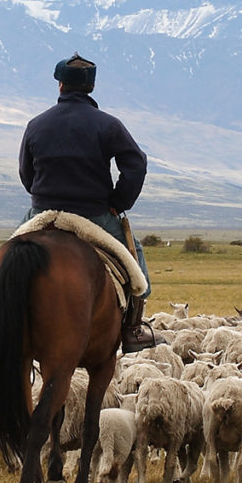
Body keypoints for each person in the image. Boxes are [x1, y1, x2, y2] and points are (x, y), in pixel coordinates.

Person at [18, 53, 155, 352]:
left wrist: (41, 197)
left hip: (42, 213)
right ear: (91, 87)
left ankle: (6, 325)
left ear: (60, 85)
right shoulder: (108, 125)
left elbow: (25, 172)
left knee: (9, 259)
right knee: (136, 264)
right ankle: (133, 329)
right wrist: (119, 202)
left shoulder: (36, 124)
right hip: (93, 215)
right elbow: (136, 164)